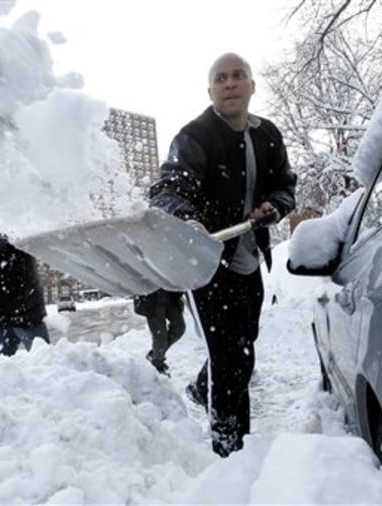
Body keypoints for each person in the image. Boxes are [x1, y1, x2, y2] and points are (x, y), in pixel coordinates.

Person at [148, 52, 297, 457]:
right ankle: (231, 451)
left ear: (252, 85)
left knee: (244, 346)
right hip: (207, 264)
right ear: (210, 90)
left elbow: (285, 185)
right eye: (220, 78)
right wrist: (188, 220)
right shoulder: (195, 137)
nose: (229, 83)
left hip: (249, 260)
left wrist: (275, 207)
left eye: (238, 76)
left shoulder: (268, 135)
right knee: (229, 358)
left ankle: (202, 388)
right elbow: (167, 190)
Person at [0, 227, 50, 356]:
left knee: (42, 356)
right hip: (5, 315)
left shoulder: (9, 244)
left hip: (21, 313)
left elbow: (17, 278)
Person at [133, 289, 186, 375]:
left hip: (170, 295)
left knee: (179, 328)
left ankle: (155, 353)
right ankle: (156, 364)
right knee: (160, 336)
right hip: (152, 299)